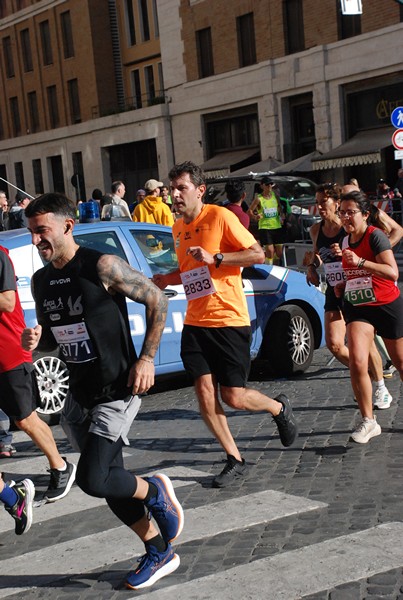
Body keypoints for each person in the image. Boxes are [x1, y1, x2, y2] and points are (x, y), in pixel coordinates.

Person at [22, 193, 183, 591]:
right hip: (78, 396)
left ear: (67, 226)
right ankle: (159, 550)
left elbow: (157, 299)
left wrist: (146, 359)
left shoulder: (102, 266)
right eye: (31, 233)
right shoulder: (42, 280)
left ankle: (154, 490)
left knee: (94, 478)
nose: (36, 241)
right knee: (109, 477)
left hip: (116, 389)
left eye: (42, 231)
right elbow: (55, 341)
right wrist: (36, 340)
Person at [153, 161, 298, 489]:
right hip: (196, 321)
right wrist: (166, 279)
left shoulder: (221, 217)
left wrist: (217, 258)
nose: (174, 194)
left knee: (233, 396)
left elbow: (257, 254)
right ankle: (235, 458)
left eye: (181, 188)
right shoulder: (177, 228)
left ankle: (278, 407)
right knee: (204, 392)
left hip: (229, 320)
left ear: (199, 190)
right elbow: (192, 271)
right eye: (171, 188)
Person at [304, 183, 392, 409]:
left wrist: (353, 254)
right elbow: (317, 255)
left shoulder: (350, 227)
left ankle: (380, 386)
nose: (320, 206)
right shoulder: (316, 230)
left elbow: (378, 240)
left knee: (366, 340)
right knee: (334, 344)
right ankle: (368, 378)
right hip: (334, 287)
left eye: (324, 201)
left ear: (335, 202)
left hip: (356, 286)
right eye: (317, 202)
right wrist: (313, 268)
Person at [0, 244, 76, 502]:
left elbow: (8, 301)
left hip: (8, 353)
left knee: (25, 419)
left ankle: (61, 466)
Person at [334, 190, 403, 443]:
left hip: (386, 304)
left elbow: (392, 272)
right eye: (342, 212)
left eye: (350, 212)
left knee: (400, 362)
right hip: (359, 306)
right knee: (357, 362)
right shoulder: (344, 241)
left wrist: (361, 262)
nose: (345, 217)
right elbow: (352, 273)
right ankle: (368, 421)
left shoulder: (376, 237)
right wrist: (342, 284)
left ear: (364, 215)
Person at [247, 176, 285, 264]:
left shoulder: (275, 196)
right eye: (267, 184)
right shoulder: (259, 198)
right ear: (262, 186)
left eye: (271, 184)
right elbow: (249, 211)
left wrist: (281, 216)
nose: (269, 186)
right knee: (270, 251)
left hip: (276, 226)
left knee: (279, 253)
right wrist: (255, 217)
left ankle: (277, 267)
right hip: (265, 227)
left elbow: (279, 207)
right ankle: (269, 269)